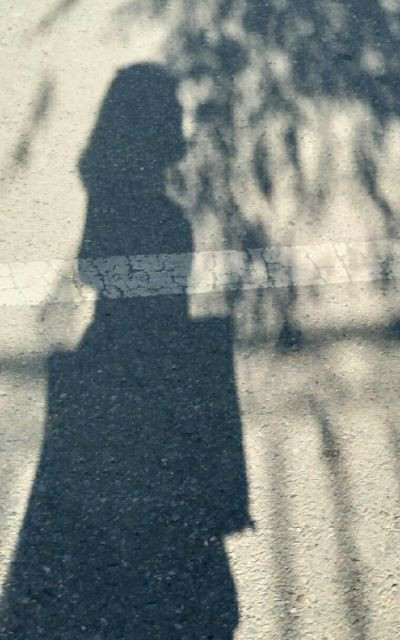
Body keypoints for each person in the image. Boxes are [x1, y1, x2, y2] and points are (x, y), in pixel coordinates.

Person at [0, 63, 249, 640]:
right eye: (172, 113)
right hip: (152, 365)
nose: (181, 123)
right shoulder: (145, 206)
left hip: (114, 358)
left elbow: (94, 270)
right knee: (159, 535)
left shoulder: (111, 192)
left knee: (101, 528)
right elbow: (126, 283)